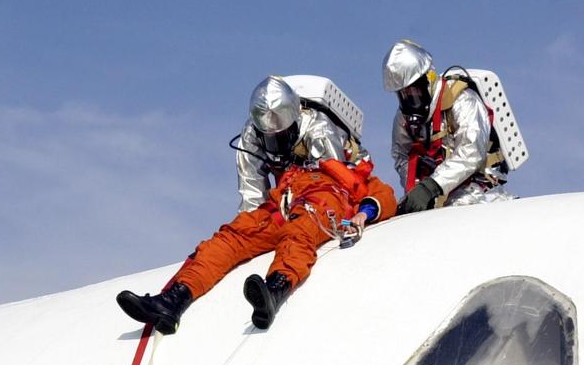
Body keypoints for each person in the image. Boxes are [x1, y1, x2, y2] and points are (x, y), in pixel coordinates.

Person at [117, 75, 397, 333]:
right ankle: (174, 298)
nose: (277, 144)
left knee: (298, 233)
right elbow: (253, 199)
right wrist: (251, 223)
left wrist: (364, 213)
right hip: (282, 203)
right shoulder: (254, 141)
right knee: (230, 238)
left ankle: (275, 288)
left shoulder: (349, 169)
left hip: (320, 203)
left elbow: (381, 196)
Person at [383, 39, 504, 213]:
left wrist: (432, 186)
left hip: (477, 184)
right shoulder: (404, 118)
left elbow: (471, 151)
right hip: (438, 191)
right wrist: (416, 191)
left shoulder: (462, 100)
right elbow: (401, 155)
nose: (410, 99)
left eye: (414, 91)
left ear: (429, 79)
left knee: (457, 216)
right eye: (403, 94)